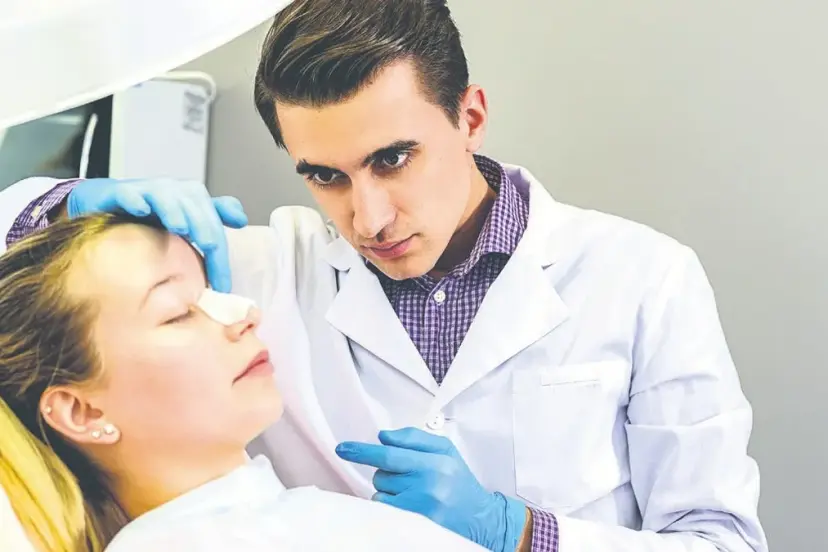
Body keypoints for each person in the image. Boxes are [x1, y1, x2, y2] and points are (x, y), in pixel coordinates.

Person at [3, 0, 767, 550]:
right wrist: (59, 203)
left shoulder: (641, 276)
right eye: (324, 176)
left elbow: (723, 542)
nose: (367, 218)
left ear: (469, 117)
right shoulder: (256, 274)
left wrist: (518, 532)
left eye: (393, 159)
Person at [0, 212, 488, 552]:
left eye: (213, 291)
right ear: (82, 412)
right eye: (177, 312)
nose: (244, 313)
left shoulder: (277, 523)